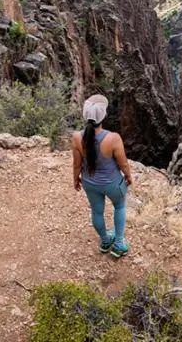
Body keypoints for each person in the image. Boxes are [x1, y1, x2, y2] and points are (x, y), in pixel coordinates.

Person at [71, 94, 134, 257]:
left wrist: (75, 179)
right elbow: (123, 163)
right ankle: (119, 244)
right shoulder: (113, 138)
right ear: (104, 115)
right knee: (119, 207)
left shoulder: (77, 137)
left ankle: (105, 240)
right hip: (112, 183)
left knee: (97, 212)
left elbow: (77, 164)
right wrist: (128, 176)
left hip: (89, 183)